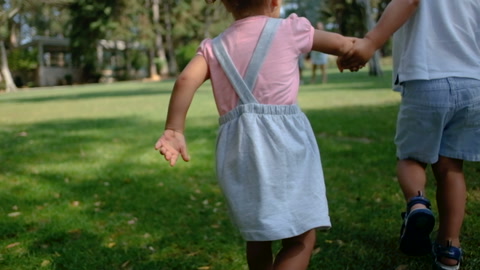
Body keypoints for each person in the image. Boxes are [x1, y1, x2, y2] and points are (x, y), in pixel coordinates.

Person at [154, 0, 355, 269]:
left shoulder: (213, 47)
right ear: (274, 1)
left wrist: (174, 129)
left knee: (258, 237)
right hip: (285, 146)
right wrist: (357, 51)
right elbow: (344, 44)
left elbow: (185, 80)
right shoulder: (290, 29)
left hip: (238, 149)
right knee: (300, 238)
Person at [338, 0, 480, 269]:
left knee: (412, 158)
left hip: (426, 78)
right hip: (473, 83)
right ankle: (450, 249)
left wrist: (370, 41)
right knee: (452, 168)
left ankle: (417, 205)